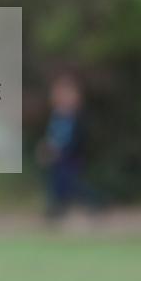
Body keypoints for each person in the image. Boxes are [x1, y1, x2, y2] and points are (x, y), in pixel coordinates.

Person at [36, 74, 89, 220]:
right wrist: (46, 148)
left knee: (71, 184)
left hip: (70, 157)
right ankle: (56, 210)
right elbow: (52, 137)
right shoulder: (56, 116)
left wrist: (61, 150)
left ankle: (91, 207)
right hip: (56, 159)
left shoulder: (75, 117)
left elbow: (75, 140)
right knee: (56, 184)